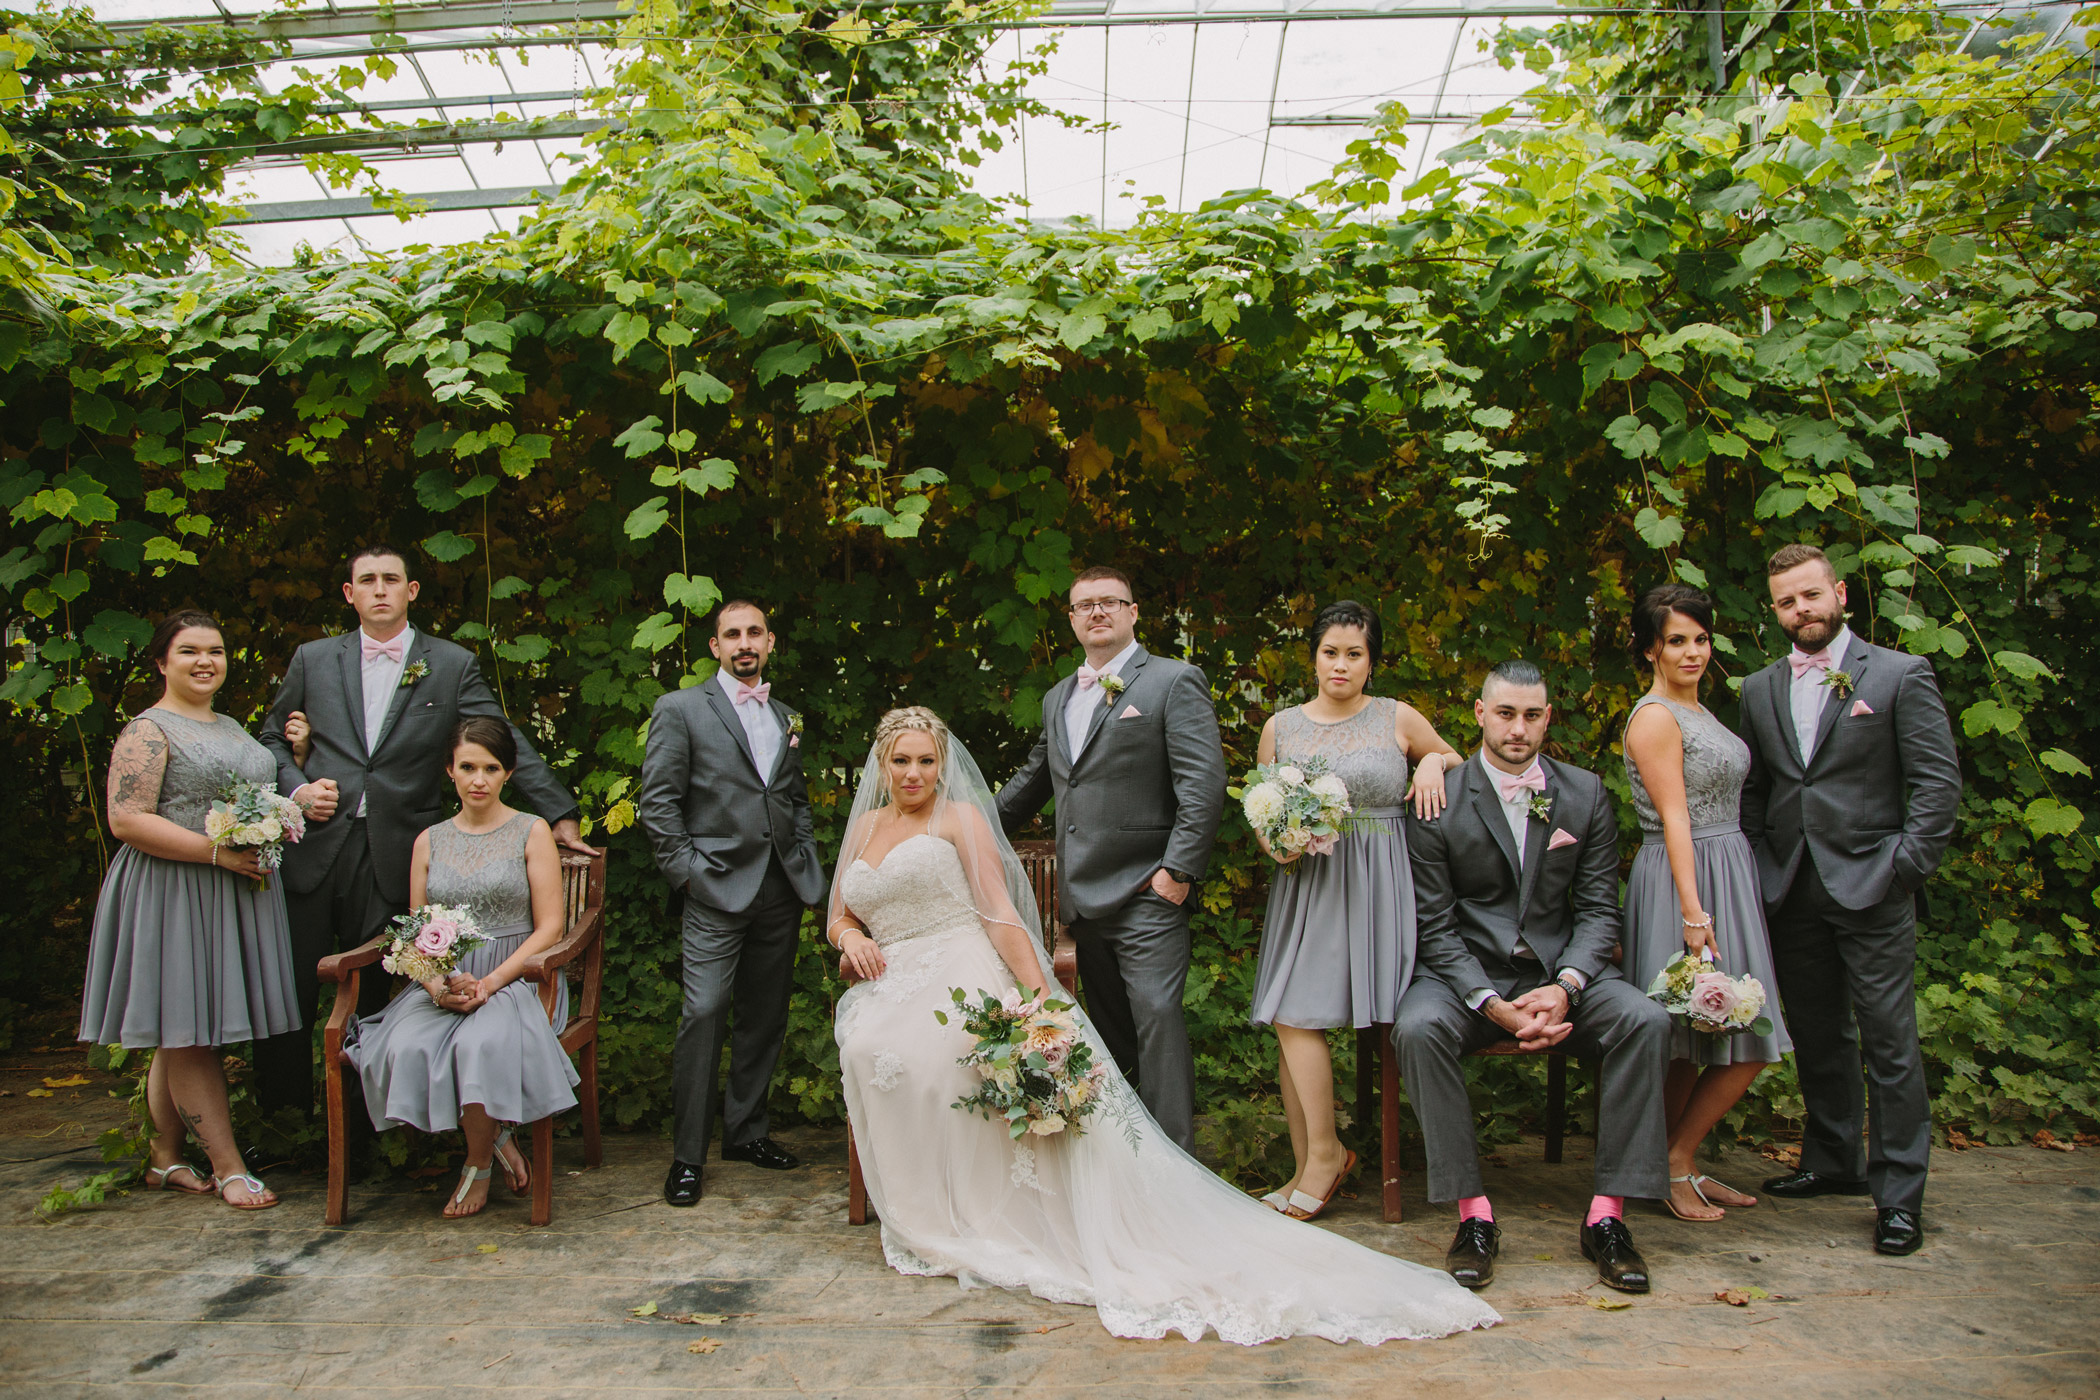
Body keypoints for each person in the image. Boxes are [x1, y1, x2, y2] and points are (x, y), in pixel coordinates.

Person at [831, 707, 1499, 1345]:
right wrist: (847, 938)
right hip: (885, 979)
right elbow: (840, 911)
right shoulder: (864, 828)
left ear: (942, 763)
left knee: (936, 1053)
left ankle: (969, 1207)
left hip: (958, 969)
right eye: (901, 761)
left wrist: (1042, 1000)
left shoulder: (962, 817)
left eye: (925, 760)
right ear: (883, 765)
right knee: (870, 1045)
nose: (913, 772)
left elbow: (1002, 915)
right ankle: (926, 1200)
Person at [255, 544, 591, 1124]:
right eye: (368, 580)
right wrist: (297, 787)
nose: (380, 589)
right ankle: (283, 1128)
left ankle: (370, 1130)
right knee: (287, 987)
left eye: (392, 580)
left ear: (411, 592)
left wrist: (558, 810)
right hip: (314, 847)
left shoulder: (449, 663)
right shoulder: (312, 659)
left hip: (394, 852)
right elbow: (269, 739)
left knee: (378, 991)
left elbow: (498, 737)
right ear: (350, 594)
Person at [1394, 660, 1670, 1295]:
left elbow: (1601, 910)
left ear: (1548, 717)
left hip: (1556, 970)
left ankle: (1608, 1217)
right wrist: (1491, 1002)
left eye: (1533, 714)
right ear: (1481, 715)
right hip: (1466, 977)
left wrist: (1567, 984)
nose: (1519, 728)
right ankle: (1473, 1215)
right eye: (1506, 713)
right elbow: (1433, 923)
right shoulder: (1438, 798)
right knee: (1416, 1028)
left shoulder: (1585, 793)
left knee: (1646, 1020)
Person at [1739, 543, 1961, 1256]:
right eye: (1786, 601)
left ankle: (1898, 1198)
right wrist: (1760, 869)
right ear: (1774, 610)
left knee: (1890, 1043)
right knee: (1820, 1033)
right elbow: (1758, 791)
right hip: (1793, 885)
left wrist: (1906, 867)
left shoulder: (1899, 675)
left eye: (1811, 595)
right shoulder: (1758, 689)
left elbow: (1936, 785)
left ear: (1839, 593)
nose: (1801, 609)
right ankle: (1835, 1162)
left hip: (1874, 882)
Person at [77, 610, 304, 1210]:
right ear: (161, 662)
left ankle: (164, 1160)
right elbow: (126, 819)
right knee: (190, 1035)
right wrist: (216, 853)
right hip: (174, 889)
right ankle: (229, 1169)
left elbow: (249, 788)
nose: (206, 661)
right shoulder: (148, 731)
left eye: (217, 651)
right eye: (189, 652)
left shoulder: (229, 723)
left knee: (179, 1034)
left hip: (227, 890)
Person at [996, 566, 1226, 1152]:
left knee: (1159, 1025)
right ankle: (1125, 1156)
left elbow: (1202, 785)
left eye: (1109, 602)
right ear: (1071, 620)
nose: (1097, 613)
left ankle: (1175, 1166)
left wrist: (1177, 873)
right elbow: (1030, 785)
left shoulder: (1174, 681)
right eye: (1084, 606)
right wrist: (955, 831)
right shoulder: (1058, 697)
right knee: (1112, 1038)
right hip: (1083, 900)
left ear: (1133, 612)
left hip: (1148, 892)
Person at [1247, 600, 1460, 1220]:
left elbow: (1457, 761)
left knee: (1293, 1014)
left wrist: (1428, 765)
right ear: (1313, 656)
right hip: (1307, 883)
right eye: (1330, 652)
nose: (1340, 665)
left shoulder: (1396, 717)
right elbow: (1263, 806)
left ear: (1372, 661)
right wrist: (1278, 841)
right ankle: (1310, 1160)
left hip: (1378, 886)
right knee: (1291, 1013)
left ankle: (1324, 1158)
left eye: (1354, 654)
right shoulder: (1280, 727)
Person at [339, 718, 580, 1217]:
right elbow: (415, 928)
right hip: (446, 979)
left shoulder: (530, 831)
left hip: (516, 977)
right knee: (403, 1043)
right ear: (449, 770)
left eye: (491, 768)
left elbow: (550, 928)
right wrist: (434, 986)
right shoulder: (429, 840)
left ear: (507, 773)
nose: (478, 779)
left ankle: (477, 1164)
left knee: (480, 1043)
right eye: (467, 767)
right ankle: (496, 1138)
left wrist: (490, 982)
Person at [638, 599, 828, 1206]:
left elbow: (793, 800)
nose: (744, 642)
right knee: (704, 1013)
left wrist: (808, 872)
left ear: (770, 642)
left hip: (779, 891)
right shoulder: (682, 709)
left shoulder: (787, 715)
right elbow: (658, 805)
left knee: (765, 1017)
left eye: (754, 633)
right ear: (715, 646)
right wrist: (690, 875)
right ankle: (687, 1157)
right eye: (731, 634)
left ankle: (746, 1132)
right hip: (714, 888)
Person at [1620, 584, 1791, 1222]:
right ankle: (1671, 1161)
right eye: (1676, 641)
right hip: (1685, 875)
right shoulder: (1656, 716)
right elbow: (1673, 819)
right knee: (1738, 1028)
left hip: (1728, 866)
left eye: (1700, 639)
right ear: (1650, 651)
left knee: (1708, 1032)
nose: (1692, 652)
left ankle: (1675, 1163)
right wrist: (1694, 913)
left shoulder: (1701, 711)